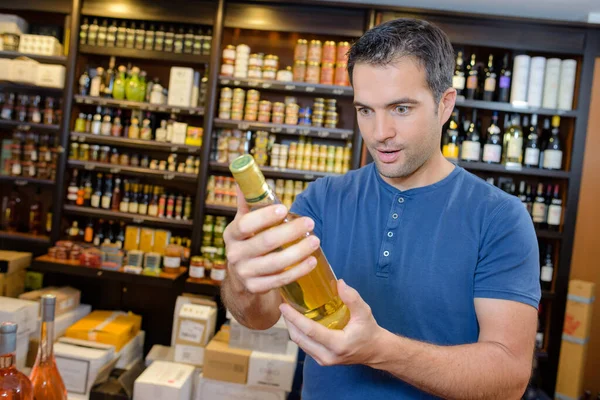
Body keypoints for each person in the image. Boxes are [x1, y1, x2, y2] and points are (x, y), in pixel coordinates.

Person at [222, 18, 540, 400]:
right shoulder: (321, 200)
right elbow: (257, 317)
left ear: (444, 105)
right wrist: (243, 276)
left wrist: (381, 351)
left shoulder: (500, 218)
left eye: (400, 108)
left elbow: (508, 378)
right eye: (365, 110)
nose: (379, 132)